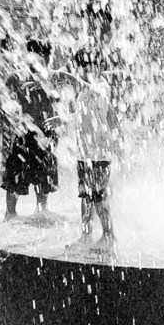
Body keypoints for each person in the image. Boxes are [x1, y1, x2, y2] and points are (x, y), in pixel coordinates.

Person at [0, 39, 59, 222]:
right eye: (45, 56)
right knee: (15, 172)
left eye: (48, 56)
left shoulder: (51, 77)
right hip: (23, 132)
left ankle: (41, 210)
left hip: (45, 131)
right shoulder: (16, 77)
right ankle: (10, 213)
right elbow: (3, 98)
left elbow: (59, 103)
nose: (47, 60)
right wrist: (12, 120)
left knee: (44, 173)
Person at [72, 47, 117, 254]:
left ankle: (109, 235)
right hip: (85, 153)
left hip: (98, 153)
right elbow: (83, 117)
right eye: (80, 67)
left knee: (99, 196)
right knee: (86, 196)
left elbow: (100, 98)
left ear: (98, 67)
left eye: (86, 66)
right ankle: (86, 234)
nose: (81, 70)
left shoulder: (101, 86)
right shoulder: (82, 91)